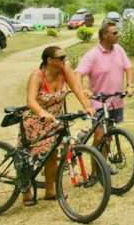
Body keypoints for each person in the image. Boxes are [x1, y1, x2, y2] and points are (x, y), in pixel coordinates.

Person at [20, 46, 94, 206]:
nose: (64, 60)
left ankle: (50, 190)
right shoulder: (37, 75)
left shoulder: (64, 70)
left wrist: (87, 106)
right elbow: (31, 101)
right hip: (35, 121)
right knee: (29, 156)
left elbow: (77, 89)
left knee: (52, 155)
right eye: (61, 58)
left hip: (56, 120)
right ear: (49, 60)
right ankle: (25, 189)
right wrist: (42, 114)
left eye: (65, 57)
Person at [75, 21, 134, 147]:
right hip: (99, 104)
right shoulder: (93, 55)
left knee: (108, 138)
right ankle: (96, 165)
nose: (118, 35)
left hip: (116, 102)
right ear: (104, 35)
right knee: (99, 137)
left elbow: (128, 67)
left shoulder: (119, 49)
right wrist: (83, 89)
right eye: (115, 33)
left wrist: (129, 85)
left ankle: (104, 166)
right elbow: (78, 73)